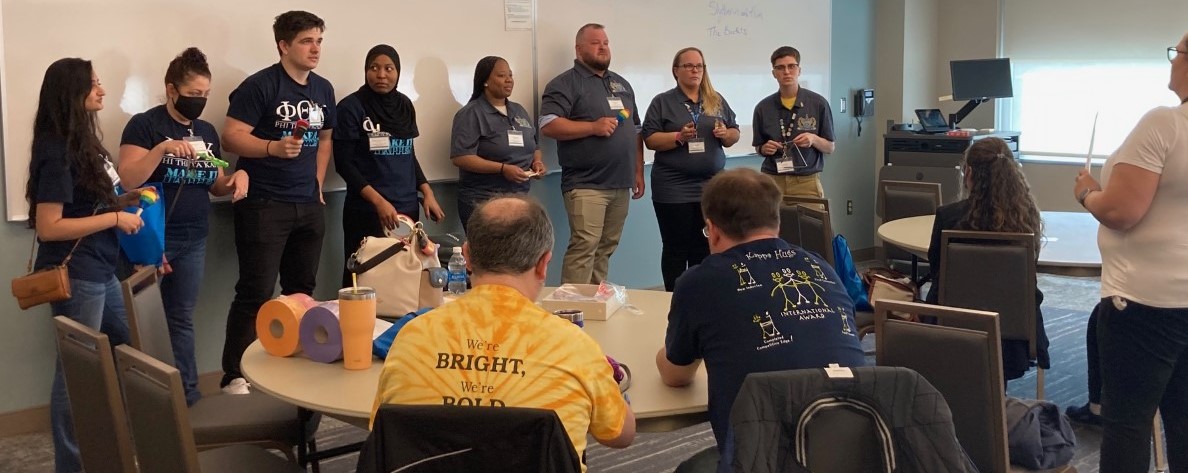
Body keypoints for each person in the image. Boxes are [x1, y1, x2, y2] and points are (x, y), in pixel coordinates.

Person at [372, 195, 635, 468]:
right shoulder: (575, 347)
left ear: (468, 256)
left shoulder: (411, 339)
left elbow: (383, 432)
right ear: (544, 264)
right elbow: (621, 434)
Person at [656, 168, 865, 473]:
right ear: (776, 222)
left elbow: (676, 375)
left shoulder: (699, 281)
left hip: (762, 457)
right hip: (858, 447)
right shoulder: (820, 267)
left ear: (712, 229)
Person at [1072, 33, 1188, 472]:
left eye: (1177, 51)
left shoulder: (1164, 123)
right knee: (1183, 421)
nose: (1173, 60)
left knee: (1128, 425)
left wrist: (1087, 193)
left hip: (1143, 302)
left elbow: (1121, 211)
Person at [27, 57, 143, 473]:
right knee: (77, 375)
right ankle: (71, 465)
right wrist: (115, 218)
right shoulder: (56, 148)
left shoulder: (84, 143)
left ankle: (118, 444)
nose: (103, 90)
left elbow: (87, 201)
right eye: (93, 84)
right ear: (72, 92)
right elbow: (50, 225)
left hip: (101, 270)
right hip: (76, 276)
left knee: (129, 344)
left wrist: (123, 202)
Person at [117, 47, 248, 406]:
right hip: (151, 238)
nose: (200, 102)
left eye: (206, 95)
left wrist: (238, 177)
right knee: (140, 322)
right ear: (171, 90)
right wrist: (162, 149)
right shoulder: (144, 124)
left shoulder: (205, 131)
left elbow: (215, 184)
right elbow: (129, 180)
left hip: (194, 237)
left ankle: (188, 397)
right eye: (193, 95)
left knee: (181, 319)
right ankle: (144, 401)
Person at [220, 10, 336, 394]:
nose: (315, 47)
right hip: (265, 204)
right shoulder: (260, 86)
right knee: (256, 290)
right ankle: (235, 375)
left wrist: (317, 182)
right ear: (284, 46)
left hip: (307, 203)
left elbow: (324, 141)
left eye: (319, 40)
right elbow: (231, 137)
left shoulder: (323, 89)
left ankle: (294, 365)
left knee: (302, 290)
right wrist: (271, 146)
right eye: (306, 40)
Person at [924, 137, 1049, 381]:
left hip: (952, 327)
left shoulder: (949, 217)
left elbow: (937, 270)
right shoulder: (1026, 221)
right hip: (1013, 334)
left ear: (968, 173)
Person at [540, 23, 645, 284]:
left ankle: (596, 305)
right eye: (596, 42)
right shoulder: (564, 83)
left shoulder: (621, 84)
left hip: (621, 182)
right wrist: (592, 127)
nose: (603, 47)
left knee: (606, 248)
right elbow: (548, 124)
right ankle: (572, 311)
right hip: (586, 184)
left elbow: (636, 130)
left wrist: (639, 171)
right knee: (584, 248)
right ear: (578, 49)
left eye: (606, 42)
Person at [335, 44, 444, 287]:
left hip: (406, 210)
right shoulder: (351, 107)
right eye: (374, 68)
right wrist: (378, 201)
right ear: (365, 71)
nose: (381, 75)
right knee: (362, 277)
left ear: (398, 72)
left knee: (401, 280)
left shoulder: (404, 105)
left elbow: (408, 154)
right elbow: (344, 164)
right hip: (367, 211)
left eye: (388, 68)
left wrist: (427, 192)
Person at [642, 47, 740, 291]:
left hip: (711, 187)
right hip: (673, 188)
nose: (695, 70)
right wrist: (677, 136)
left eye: (700, 66)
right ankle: (675, 299)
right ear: (676, 71)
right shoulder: (663, 102)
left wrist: (726, 134)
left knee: (705, 246)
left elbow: (735, 133)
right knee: (676, 247)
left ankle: (701, 297)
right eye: (689, 65)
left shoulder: (715, 99)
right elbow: (650, 139)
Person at [450, 56, 545, 228]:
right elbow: (461, 157)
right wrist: (502, 169)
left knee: (520, 253)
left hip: (519, 200)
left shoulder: (519, 110)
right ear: (485, 81)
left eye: (510, 75)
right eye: (501, 76)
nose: (509, 80)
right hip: (483, 201)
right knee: (491, 253)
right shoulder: (471, 113)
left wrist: (537, 162)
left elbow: (534, 145)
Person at [752, 46, 835, 199]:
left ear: (799, 70)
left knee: (812, 223)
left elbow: (830, 147)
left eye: (791, 66)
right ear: (774, 73)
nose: (787, 71)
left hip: (806, 182)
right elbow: (758, 147)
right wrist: (764, 148)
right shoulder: (763, 108)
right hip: (772, 181)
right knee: (769, 223)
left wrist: (813, 139)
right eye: (781, 67)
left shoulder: (818, 104)